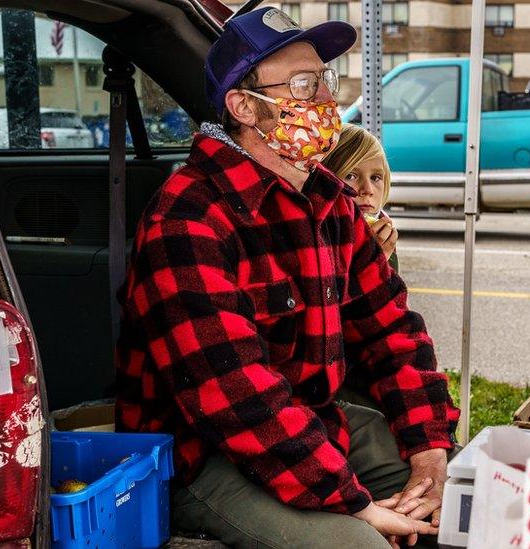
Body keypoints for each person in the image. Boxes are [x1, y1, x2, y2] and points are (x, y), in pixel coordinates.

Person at [115, 8, 460, 549]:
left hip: (311, 424)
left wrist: (430, 448)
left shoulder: (329, 200)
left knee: (458, 505)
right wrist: (355, 505)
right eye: (304, 84)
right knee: (358, 546)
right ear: (244, 106)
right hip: (202, 456)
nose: (326, 100)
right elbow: (236, 398)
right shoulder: (187, 218)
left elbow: (391, 331)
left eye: (326, 80)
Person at [321, 123, 400, 271]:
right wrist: (370, 261)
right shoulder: (318, 239)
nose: (368, 190)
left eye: (376, 178)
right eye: (350, 176)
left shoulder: (382, 236)